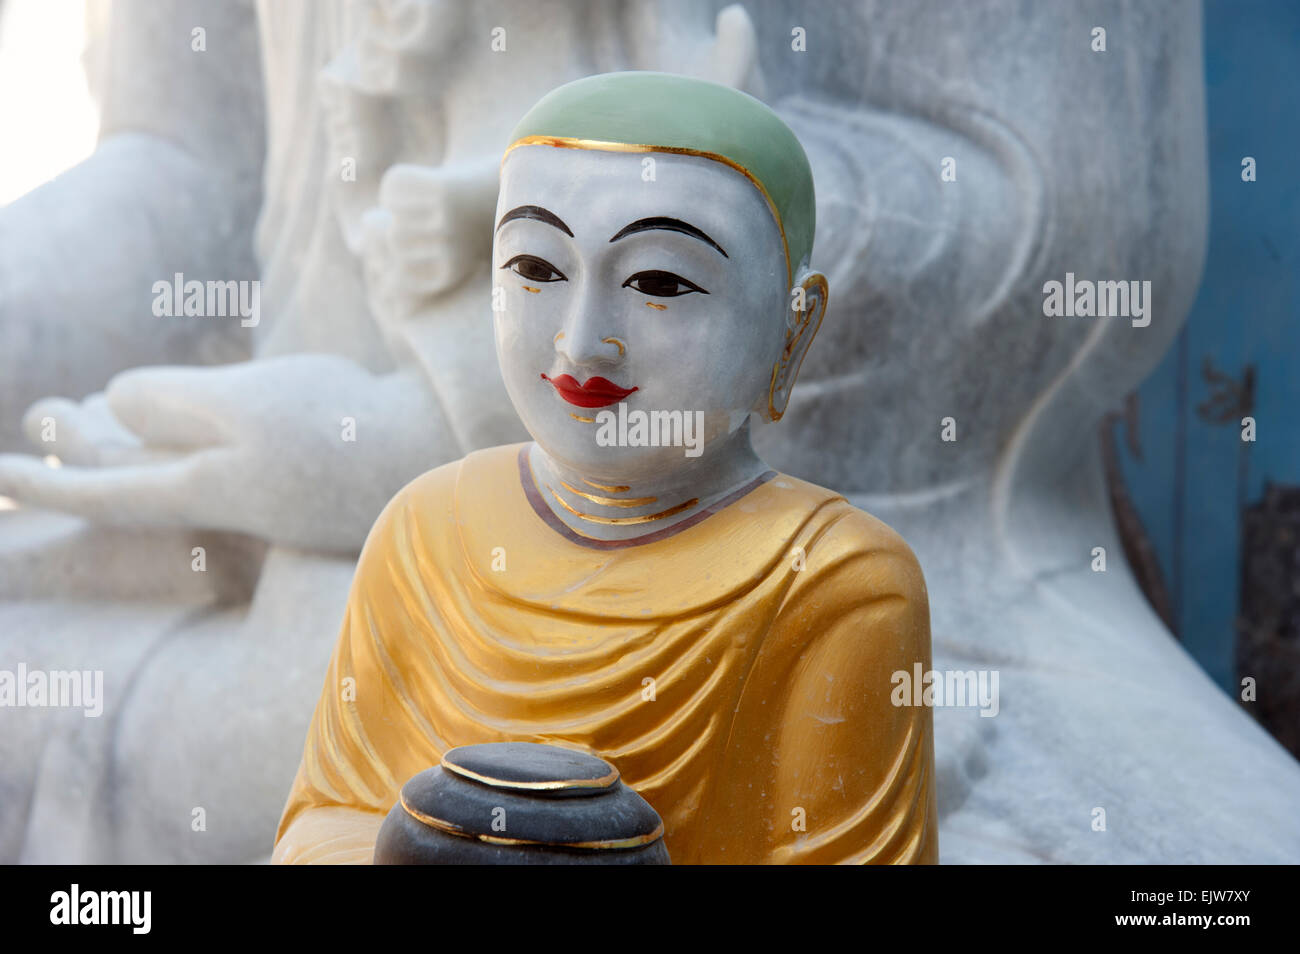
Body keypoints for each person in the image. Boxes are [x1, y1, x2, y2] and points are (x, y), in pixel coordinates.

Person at [274, 71, 938, 865]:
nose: (582, 341)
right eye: (537, 269)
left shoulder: (835, 584)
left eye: (659, 282)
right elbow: (325, 819)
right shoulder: (424, 529)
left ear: (792, 332)